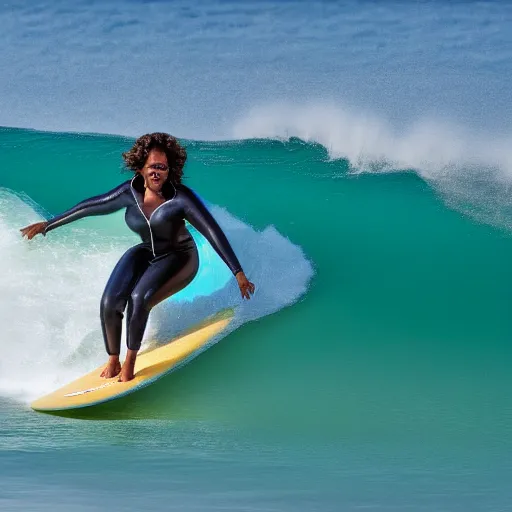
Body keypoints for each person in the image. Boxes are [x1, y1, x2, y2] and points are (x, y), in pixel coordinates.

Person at [20, 132, 255, 382]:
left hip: (181, 258)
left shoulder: (181, 198)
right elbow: (91, 206)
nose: (157, 173)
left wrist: (238, 272)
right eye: (152, 167)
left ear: (169, 170)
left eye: (162, 168)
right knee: (110, 301)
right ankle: (113, 360)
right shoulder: (128, 192)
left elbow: (212, 231)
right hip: (147, 251)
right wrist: (49, 224)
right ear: (141, 167)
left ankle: (130, 361)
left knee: (138, 298)